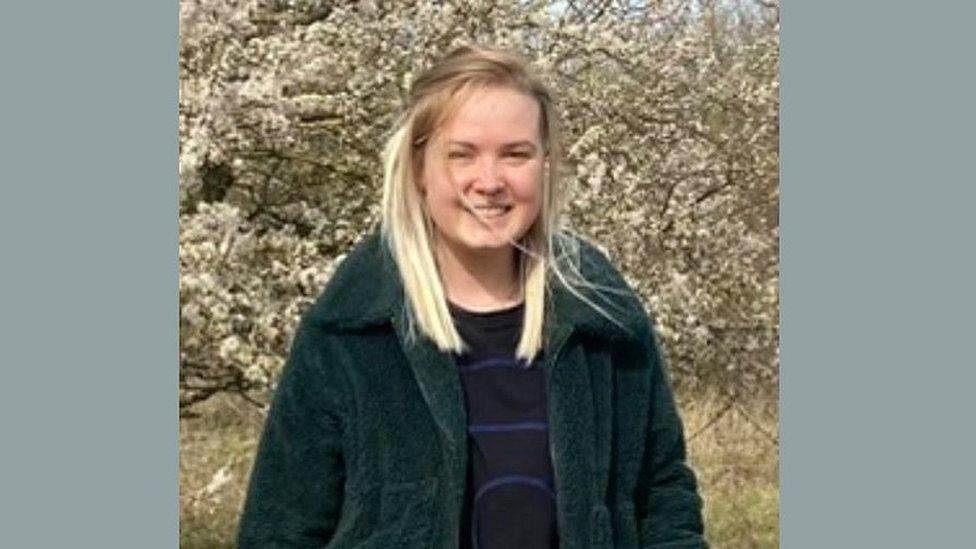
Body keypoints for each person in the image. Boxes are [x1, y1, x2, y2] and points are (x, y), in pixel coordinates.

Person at [238, 45, 707, 549]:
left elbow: (663, 500)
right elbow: (281, 527)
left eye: (515, 154)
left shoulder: (604, 322)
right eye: (462, 154)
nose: (489, 182)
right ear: (419, 168)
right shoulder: (350, 330)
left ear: (545, 164)